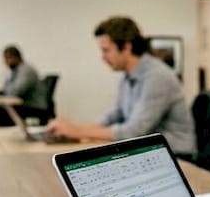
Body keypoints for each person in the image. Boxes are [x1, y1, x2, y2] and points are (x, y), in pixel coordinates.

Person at [47, 16, 196, 157]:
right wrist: (76, 128)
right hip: (151, 151)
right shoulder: (128, 75)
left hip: (176, 155)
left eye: (106, 50)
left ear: (126, 47)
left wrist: (78, 131)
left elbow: (135, 132)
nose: (103, 57)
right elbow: (116, 115)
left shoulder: (157, 77)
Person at [0, 44, 49, 114]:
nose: (5, 62)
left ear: (16, 57)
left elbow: (16, 92)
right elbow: (7, 89)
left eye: (7, 58)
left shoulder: (26, 71)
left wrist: (2, 92)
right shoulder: (13, 71)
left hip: (34, 107)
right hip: (24, 106)